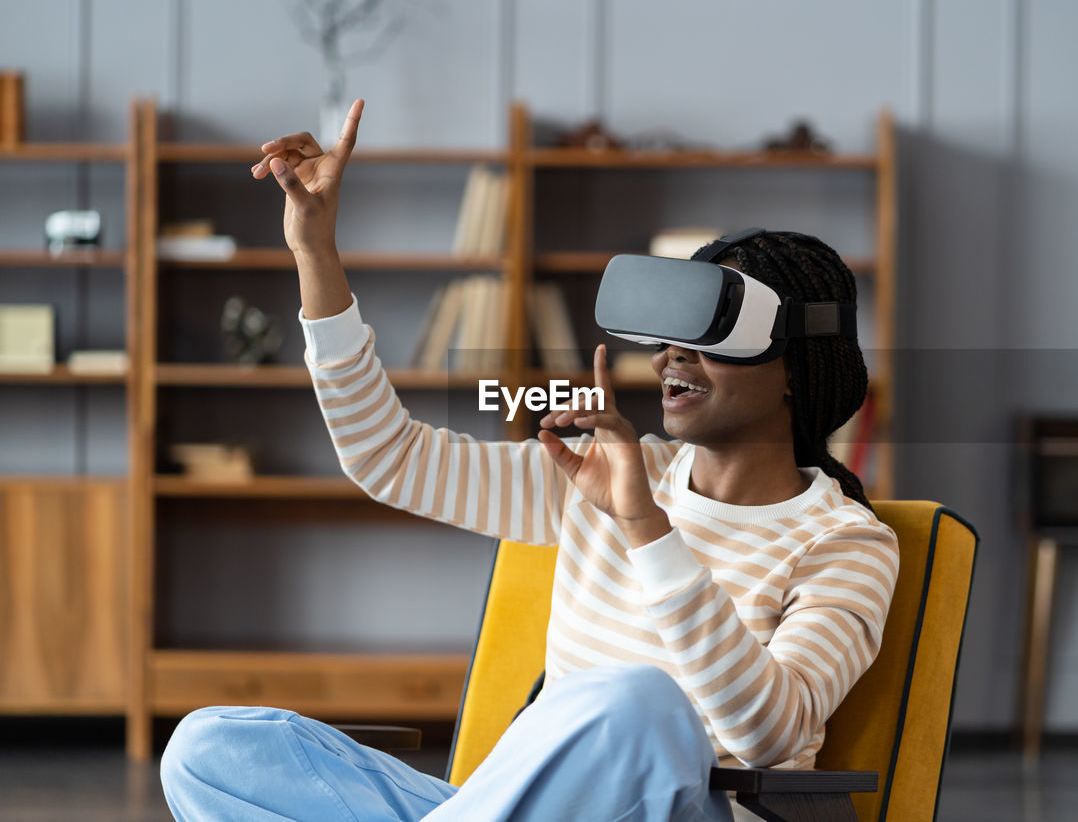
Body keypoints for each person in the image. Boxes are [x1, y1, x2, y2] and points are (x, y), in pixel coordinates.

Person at [160, 99, 899, 822]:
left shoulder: (844, 542)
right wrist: (314, 250)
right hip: (513, 809)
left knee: (639, 702)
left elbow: (769, 734)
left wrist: (646, 526)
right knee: (209, 747)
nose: (672, 353)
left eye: (712, 329)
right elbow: (387, 455)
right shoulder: (600, 471)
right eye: (671, 329)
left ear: (797, 364)